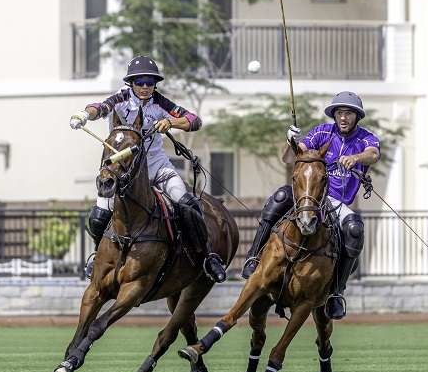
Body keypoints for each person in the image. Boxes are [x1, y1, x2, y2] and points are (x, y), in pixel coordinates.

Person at [70, 55, 227, 283]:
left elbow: (194, 120)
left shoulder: (162, 104)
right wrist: (84, 115)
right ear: (131, 83)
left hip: (157, 168)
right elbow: (99, 108)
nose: (145, 87)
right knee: (98, 216)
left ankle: (207, 256)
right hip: (122, 173)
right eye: (140, 82)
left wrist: (171, 122)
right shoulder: (120, 99)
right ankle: (97, 255)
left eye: (150, 82)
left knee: (188, 205)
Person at [240, 91, 380, 319]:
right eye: (339, 113)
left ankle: (336, 293)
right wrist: (290, 142)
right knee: (279, 198)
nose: (343, 117)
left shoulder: (366, 139)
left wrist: (356, 158)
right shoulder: (321, 132)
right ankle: (254, 257)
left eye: (348, 113)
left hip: (337, 203)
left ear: (357, 116)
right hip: (308, 198)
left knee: (355, 228)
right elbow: (289, 158)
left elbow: (373, 155)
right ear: (334, 115)